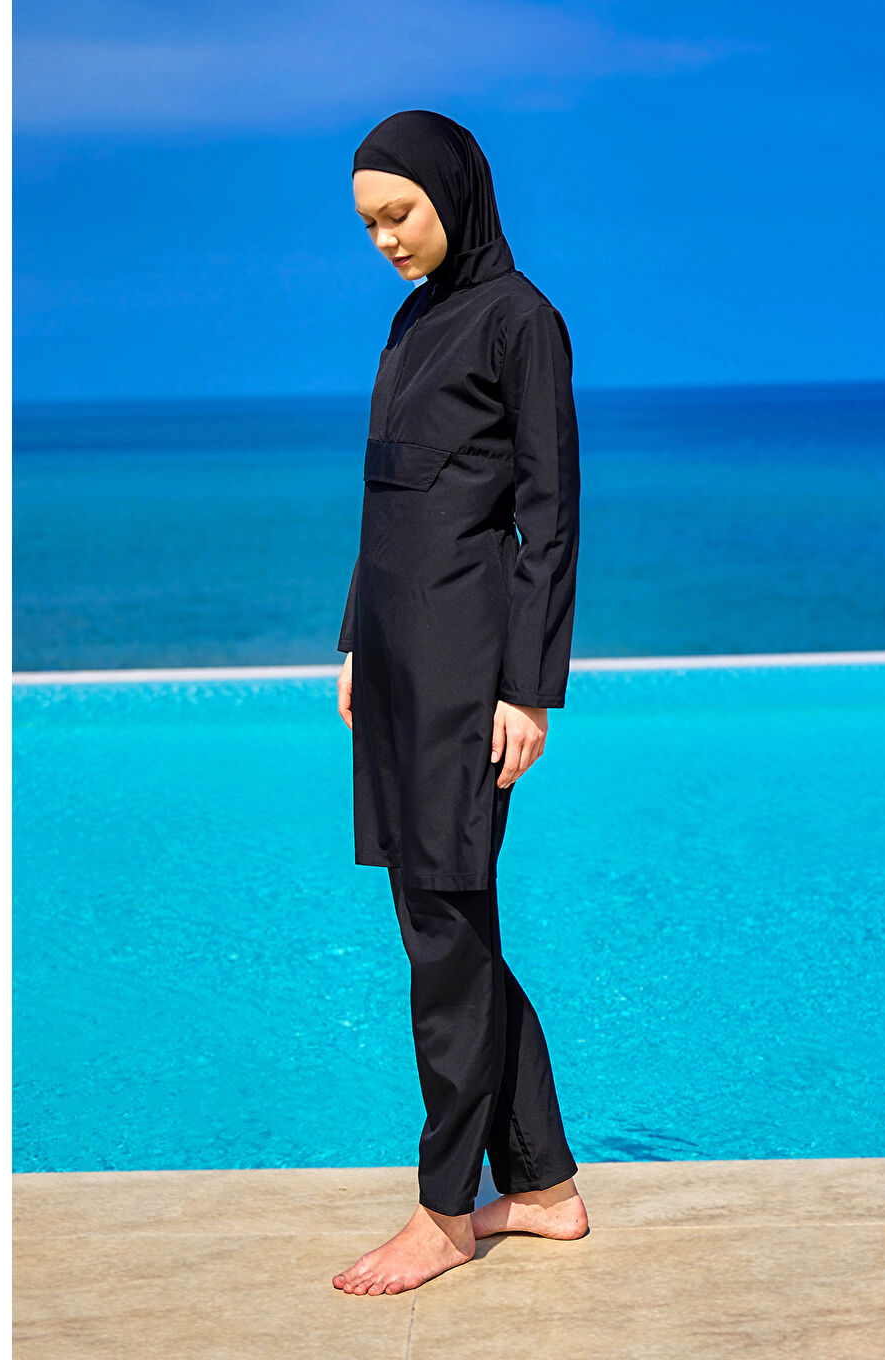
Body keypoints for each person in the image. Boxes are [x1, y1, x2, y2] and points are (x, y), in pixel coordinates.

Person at [332, 110, 587, 1297]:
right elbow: (386, 499)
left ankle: (445, 1211)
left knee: (442, 931)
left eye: (400, 214)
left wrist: (527, 688)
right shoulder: (413, 318)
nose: (386, 239)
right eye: (369, 223)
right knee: (447, 923)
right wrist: (354, 641)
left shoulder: (520, 319)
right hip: (393, 660)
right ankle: (540, 1186)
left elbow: (549, 516)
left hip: (464, 668)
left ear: (453, 193)